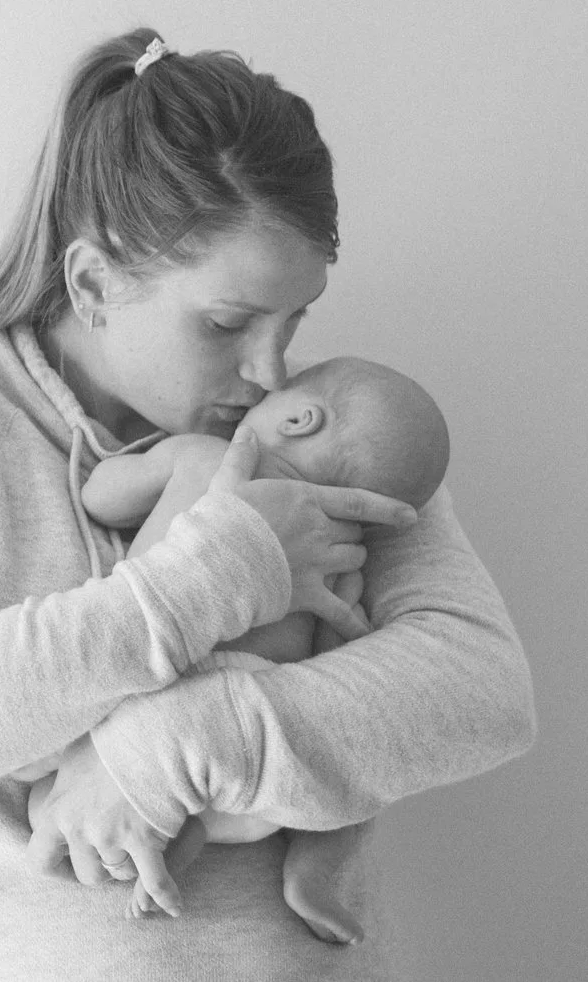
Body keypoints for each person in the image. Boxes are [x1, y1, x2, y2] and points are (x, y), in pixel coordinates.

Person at [0, 31, 536, 979]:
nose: (271, 366)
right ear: (94, 281)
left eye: (294, 319)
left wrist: (172, 746)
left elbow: (480, 689)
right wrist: (227, 570)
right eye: (228, 324)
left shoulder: (323, 428)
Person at [47, 355, 455, 937]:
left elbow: (100, 499)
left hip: (162, 675)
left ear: (300, 418)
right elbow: (344, 646)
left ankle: (156, 858)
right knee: (351, 791)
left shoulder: (204, 457)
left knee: (57, 780)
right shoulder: (338, 551)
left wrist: (117, 469)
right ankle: (311, 873)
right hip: (253, 704)